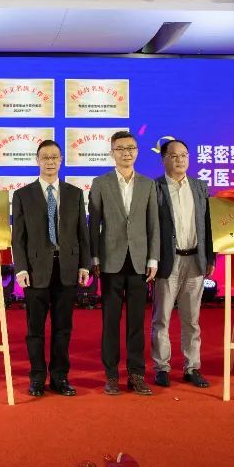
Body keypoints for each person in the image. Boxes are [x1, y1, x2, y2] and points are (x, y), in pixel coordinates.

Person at [11, 140, 91, 397]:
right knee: (35, 329)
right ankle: (37, 378)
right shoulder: (22, 195)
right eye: (45, 157)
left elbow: (82, 233)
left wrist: (85, 265)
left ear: (61, 160)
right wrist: (21, 268)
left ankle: (60, 377)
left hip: (67, 268)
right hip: (35, 271)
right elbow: (18, 238)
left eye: (55, 157)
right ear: (37, 160)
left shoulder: (74, 193)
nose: (50, 161)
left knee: (63, 328)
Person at [89, 130, 159, 396]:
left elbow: (153, 225)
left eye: (130, 148)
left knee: (136, 322)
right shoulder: (101, 183)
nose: (126, 153)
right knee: (110, 321)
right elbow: (93, 224)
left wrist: (153, 258)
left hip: (140, 262)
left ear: (137, 152)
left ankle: (136, 374)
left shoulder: (148, 184)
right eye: (120, 149)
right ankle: (111, 375)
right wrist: (95, 257)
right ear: (112, 153)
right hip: (110, 261)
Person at [151, 140, 215, 389]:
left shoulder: (199, 187)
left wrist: (210, 257)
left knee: (192, 319)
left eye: (184, 155)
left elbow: (208, 224)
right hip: (168, 261)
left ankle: (192, 367)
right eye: (174, 156)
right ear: (164, 159)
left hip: (195, 260)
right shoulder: (155, 187)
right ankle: (162, 367)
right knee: (161, 318)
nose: (180, 160)